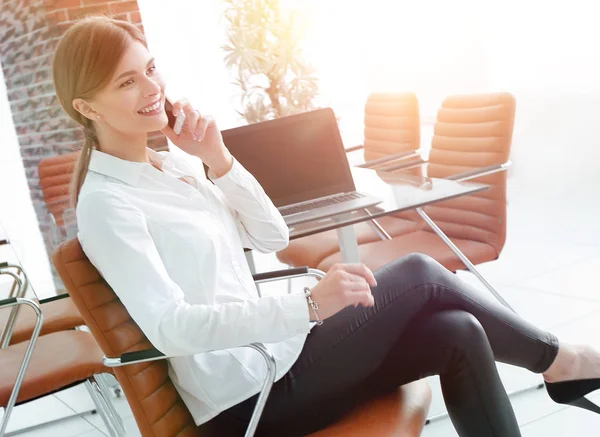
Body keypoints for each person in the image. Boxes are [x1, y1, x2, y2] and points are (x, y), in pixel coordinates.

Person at [51, 16, 600, 437]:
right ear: (86, 107)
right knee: (418, 274)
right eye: (126, 82)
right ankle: (564, 360)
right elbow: (172, 328)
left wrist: (217, 158)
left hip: (274, 354)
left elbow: (269, 236)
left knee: (458, 332)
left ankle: (562, 363)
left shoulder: (173, 164)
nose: (150, 88)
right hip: (246, 396)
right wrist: (310, 306)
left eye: (150, 69)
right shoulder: (108, 204)